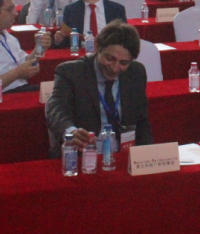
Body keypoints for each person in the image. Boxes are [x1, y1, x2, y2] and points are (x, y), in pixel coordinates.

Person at [45, 20, 153, 155]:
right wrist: (71, 132)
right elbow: (56, 108)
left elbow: (142, 121)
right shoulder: (71, 73)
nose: (115, 68)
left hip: (123, 153)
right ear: (97, 47)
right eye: (110, 59)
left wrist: (147, 153)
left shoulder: (136, 72)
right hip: (84, 155)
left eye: (123, 63)